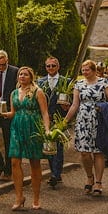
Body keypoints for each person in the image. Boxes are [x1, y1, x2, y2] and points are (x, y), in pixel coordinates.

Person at [0, 66, 51, 210]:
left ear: (31, 77)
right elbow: (13, 113)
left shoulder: (38, 92)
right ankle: (19, 197)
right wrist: (1, 114)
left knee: (34, 163)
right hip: (16, 128)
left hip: (33, 128)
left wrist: (47, 130)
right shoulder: (14, 93)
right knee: (14, 161)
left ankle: (36, 198)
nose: (22, 76)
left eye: (25, 74)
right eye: (20, 74)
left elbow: (45, 113)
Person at [63, 60, 108, 197]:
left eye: (87, 70)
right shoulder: (79, 84)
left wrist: (103, 107)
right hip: (83, 121)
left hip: (99, 120)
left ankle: (98, 182)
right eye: (83, 70)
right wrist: (65, 121)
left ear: (93, 70)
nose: (84, 72)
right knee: (84, 153)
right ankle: (89, 176)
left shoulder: (104, 83)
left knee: (98, 152)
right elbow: (75, 105)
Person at [35, 56, 70, 188]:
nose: (50, 68)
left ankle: (56, 174)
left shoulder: (66, 81)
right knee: (48, 146)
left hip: (60, 118)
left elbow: (71, 100)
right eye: (48, 66)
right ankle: (54, 172)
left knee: (59, 147)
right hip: (45, 119)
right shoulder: (40, 81)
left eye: (53, 66)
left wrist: (67, 106)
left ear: (58, 66)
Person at [0, 50, 19, 181]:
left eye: (3, 64)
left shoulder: (15, 71)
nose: (1, 67)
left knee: (8, 140)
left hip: (8, 110)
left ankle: (8, 170)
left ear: (7, 61)